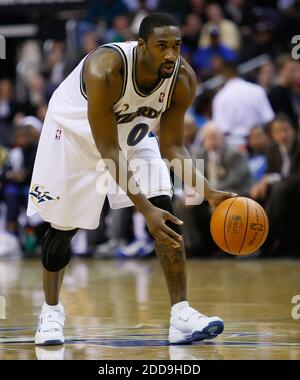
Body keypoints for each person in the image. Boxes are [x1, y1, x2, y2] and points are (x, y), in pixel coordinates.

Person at [27, 13, 235, 346]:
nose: (171, 54)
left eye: (177, 46)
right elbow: (107, 149)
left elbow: (172, 145)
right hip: (72, 137)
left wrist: (206, 190)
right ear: (141, 46)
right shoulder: (106, 68)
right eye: (162, 46)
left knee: (167, 215)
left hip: (133, 139)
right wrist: (143, 211)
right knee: (61, 232)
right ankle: (51, 312)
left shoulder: (182, 78)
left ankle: (181, 314)